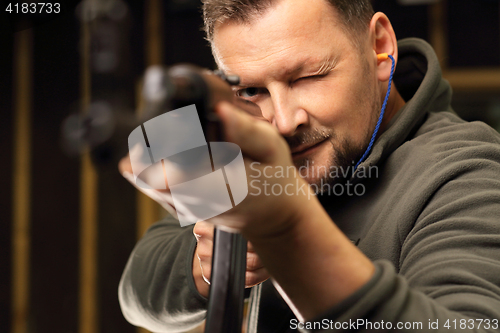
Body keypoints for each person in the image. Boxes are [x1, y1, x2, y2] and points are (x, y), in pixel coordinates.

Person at [118, 0, 500, 332]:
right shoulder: (251, 144)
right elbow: (136, 294)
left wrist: (286, 233)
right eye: (252, 90)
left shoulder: (469, 170)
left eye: (308, 77)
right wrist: (205, 266)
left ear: (380, 46)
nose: (284, 122)